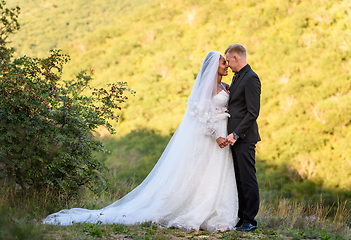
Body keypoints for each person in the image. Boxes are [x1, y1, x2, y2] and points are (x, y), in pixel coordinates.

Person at [43, 51, 239, 232]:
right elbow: (200, 112)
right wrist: (216, 135)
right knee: (199, 172)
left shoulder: (224, 86)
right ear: (214, 65)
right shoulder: (207, 88)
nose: (227, 66)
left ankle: (215, 211)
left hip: (224, 133)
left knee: (216, 172)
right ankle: (194, 210)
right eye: (224, 62)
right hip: (212, 136)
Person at [225, 44, 261, 232]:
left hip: (244, 138)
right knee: (238, 178)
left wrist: (237, 134)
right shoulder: (238, 76)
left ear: (237, 58)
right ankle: (242, 217)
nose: (228, 65)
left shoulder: (251, 78)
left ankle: (250, 220)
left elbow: (252, 112)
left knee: (247, 178)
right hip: (234, 138)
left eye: (229, 60)